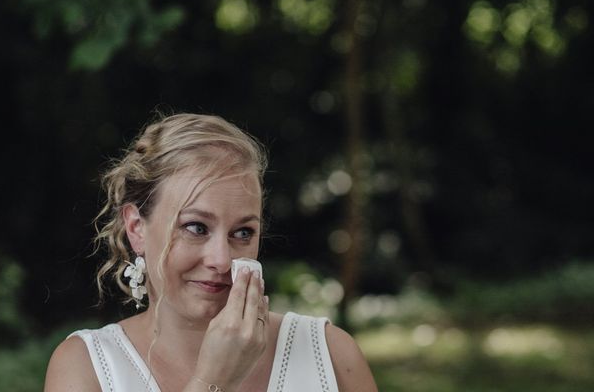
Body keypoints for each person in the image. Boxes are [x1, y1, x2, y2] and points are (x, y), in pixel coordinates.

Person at [44, 112, 377, 392]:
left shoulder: (331, 356)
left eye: (242, 232)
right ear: (136, 228)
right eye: (196, 227)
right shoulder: (86, 368)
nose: (221, 260)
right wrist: (214, 380)